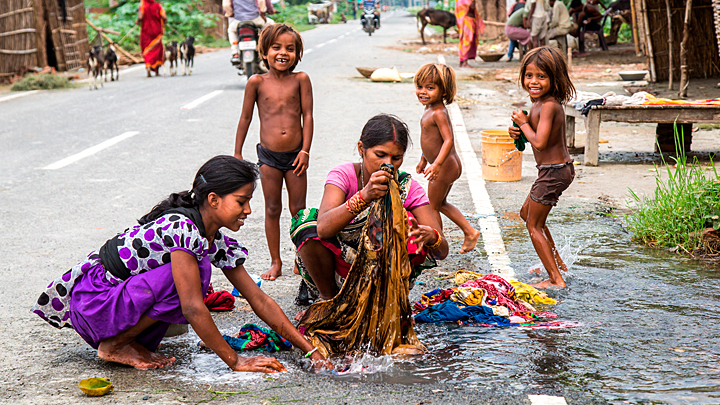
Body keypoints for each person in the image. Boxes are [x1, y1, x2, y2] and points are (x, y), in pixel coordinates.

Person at [31, 156, 331, 371]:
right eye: (241, 201)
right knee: (197, 273)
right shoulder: (182, 228)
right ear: (213, 200)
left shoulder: (214, 238)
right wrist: (235, 360)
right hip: (95, 304)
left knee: (195, 275)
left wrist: (309, 349)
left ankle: (127, 339)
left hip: (113, 304)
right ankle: (115, 344)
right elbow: (191, 307)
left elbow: (258, 298)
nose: (249, 210)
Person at [291, 114, 449, 302]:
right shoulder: (344, 175)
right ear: (361, 149)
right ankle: (328, 299)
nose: (388, 164)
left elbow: (443, 251)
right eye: (380, 155)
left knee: (407, 221)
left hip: (381, 278)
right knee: (306, 223)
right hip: (338, 270)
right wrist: (364, 196)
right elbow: (323, 229)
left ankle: (386, 300)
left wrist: (432, 237)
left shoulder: (407, 187)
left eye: (397, 157)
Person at [234, 24, 312, 281]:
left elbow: (308, 117)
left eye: (290, 49)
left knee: (298, 210)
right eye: (276, 48)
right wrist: (237, 153)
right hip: (268, 156)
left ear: (298, 53)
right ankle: (275, 261)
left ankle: (300, 258)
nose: (283, 53)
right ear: (264, 51)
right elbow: (245, 117)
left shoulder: (301, 80)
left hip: (295, 156)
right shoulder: (256, 82)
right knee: (271, 208)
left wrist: (305, 151)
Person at [508, 47, 576, 289]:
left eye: (541, 76)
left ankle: (556, 279)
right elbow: (532, 138)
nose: (533, 81)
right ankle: (558, 265)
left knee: (533, 224)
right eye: (529, 75)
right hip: (553, 170)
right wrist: (518, 131)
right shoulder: (538, 103)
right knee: (527, 214)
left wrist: (524, 124)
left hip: (554, 171)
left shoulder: (548, 105)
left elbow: (539, 141)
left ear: (554, 79)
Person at [414, 63, 480, 254]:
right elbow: (430, 139)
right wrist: (424, 159)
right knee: (440, 203)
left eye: (430, 88)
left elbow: (449, 140)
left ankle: (437, 246)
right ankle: (469, 231)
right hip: (443, 164)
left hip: (445, 166)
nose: (423, 92)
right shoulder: (429, 108)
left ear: (443, 91)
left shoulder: (438, 112)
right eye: (420, 87)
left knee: (432, 206)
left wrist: (437, 164)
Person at [223, 0, 275, 64]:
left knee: (231, 30)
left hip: (238, 20)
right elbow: (261, 1)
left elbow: (226, 5)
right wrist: (262, 12)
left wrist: (229, 13)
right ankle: (269, 48)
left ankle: (235, 52)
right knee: (271, 24)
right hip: (255, 19)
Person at [137, 0, 166, 77]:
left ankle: (148, 67)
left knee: (147, 49)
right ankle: (157, 71)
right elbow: (164, 16)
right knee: (157, 49)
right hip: (156, 30)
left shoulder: (143, 5)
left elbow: (140, 16)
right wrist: (164, 22)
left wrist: (138, 21)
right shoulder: (158, 6)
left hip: (146, 31)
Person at [455, 0, 485, 68]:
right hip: (467, 21)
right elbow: (471, 6)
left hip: (466, 20)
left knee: (464, 40)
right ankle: (465, 62)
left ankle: (462, 62)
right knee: (467, 40)